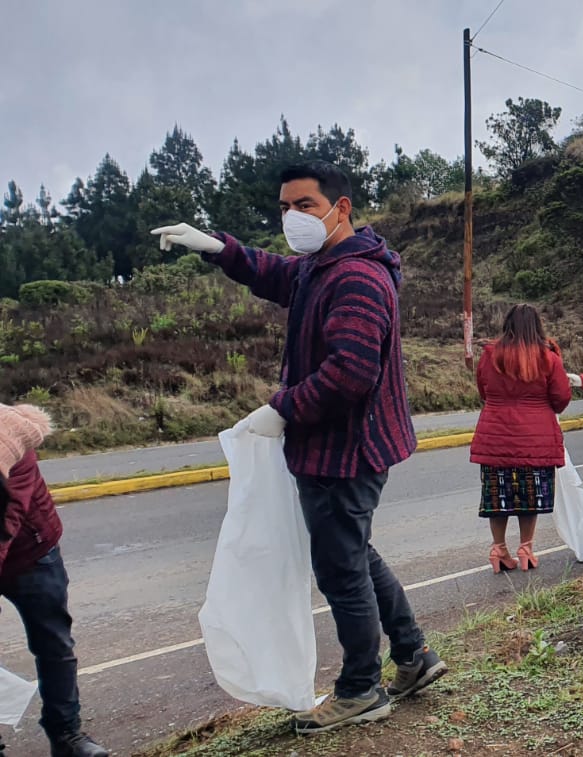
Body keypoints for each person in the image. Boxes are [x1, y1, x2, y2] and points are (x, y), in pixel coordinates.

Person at [151, 161, 444, 735]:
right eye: (284, 207)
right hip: (344, 445)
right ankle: (413, 657)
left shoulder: (356, 277)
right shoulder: (323, 266)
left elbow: (352, 372)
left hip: (345, 449)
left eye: (304, 205)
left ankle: (362, 688)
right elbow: (277, 274)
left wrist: (279, 409)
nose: (291, 217)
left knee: (341, 571)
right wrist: (216, 247)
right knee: (355, 553)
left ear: (341, 209)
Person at [0, 404, 108, 757]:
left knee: (54, 644)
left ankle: (66, 735)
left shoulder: (11, 441)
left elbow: (5, 521)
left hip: (33, 553)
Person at [470, 304, 571, 573]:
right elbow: (561, 398)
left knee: (498, 494)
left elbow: (483, 390)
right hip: (535, 438)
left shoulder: (491, 354)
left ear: (508, 325)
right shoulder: (548, 358)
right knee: (530, 495)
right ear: (537, 326)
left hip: (495, 435)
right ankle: (526, 549)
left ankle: (498, 548)